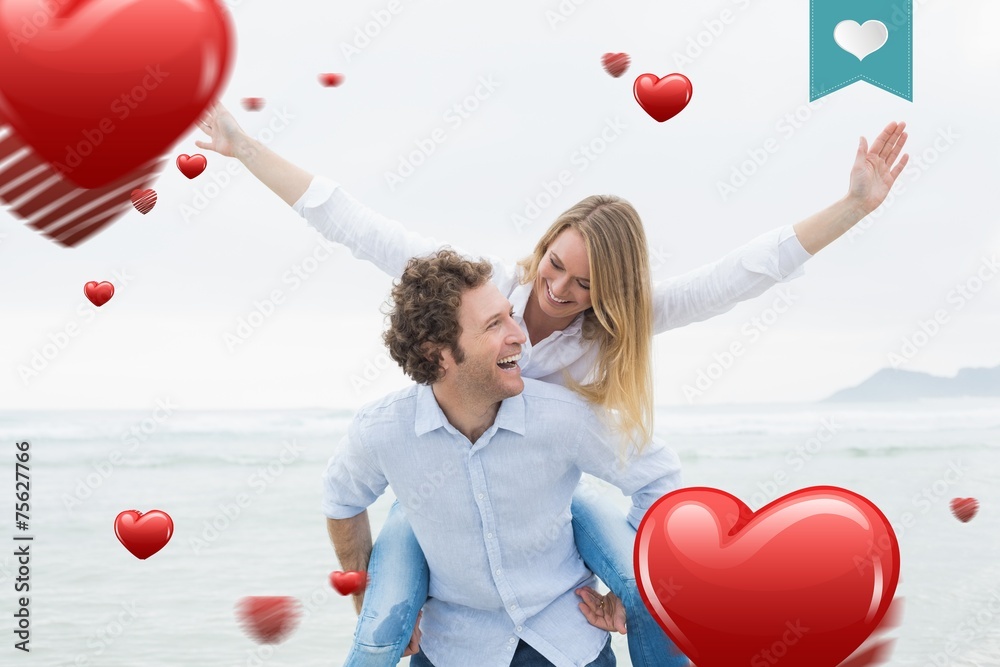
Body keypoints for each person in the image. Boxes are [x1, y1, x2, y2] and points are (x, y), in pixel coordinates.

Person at [195, 104, 909, 666]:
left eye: (583, 284)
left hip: (548, 500)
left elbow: (735, 279)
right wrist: (243, 145)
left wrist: (852, 207)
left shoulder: (602, 342)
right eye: (556, 264)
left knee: (645, 587)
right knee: (385, 615)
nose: (557, 289)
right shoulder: (477, 289)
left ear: (610, 293)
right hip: (441, 486)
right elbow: (352, 223)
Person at [323, 249, 683, 667]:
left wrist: (625, 585)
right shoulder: (382, 430)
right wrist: (368, 597)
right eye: (495, 325)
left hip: (565, 641)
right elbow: (341, 501)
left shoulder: (564, 417)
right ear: (436, 354)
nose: (521, 335)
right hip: (452, 649)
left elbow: (661, 477)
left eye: (511, 315)